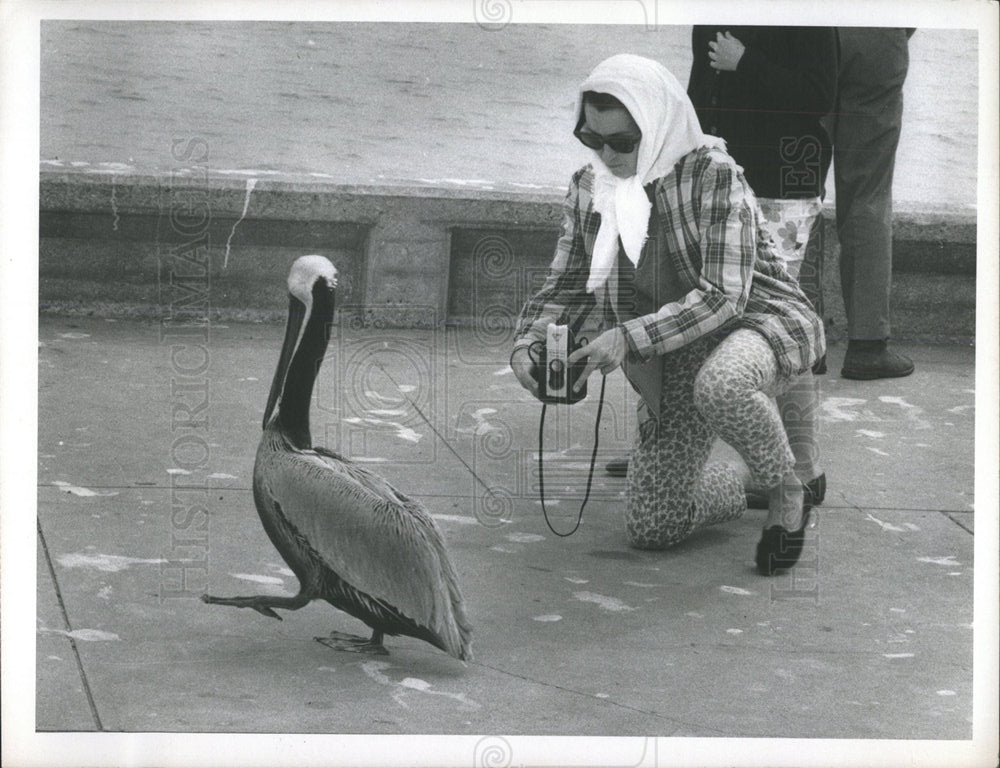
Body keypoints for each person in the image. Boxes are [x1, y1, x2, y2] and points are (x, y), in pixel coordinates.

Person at [510, 55, 825, 575]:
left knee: (722, 385)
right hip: (670, 342)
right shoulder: (589, 187)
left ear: (656, 126)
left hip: (755, 320)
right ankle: (738, 476)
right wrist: (528, 348)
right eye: (592, 139)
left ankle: (788, 490)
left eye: (622, 142)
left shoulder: (714, 173)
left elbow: (725, 298)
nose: (606, 155)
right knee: (654, 527)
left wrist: (626, 338)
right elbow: (566, 285)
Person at [687, 25, 837, 506]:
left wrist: (746, 60)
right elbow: (701, 87)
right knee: (727, 320)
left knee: (776, 326)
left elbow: (818, 94)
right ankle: (675, 452)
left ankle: (805, 469)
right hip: (724, 179)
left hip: (784, 182)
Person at [831, 27, 916, 379]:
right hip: (875, 29)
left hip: (811, 27)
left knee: (796, 182)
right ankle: (866, 345)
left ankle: (795, 342)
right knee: (869, 192)